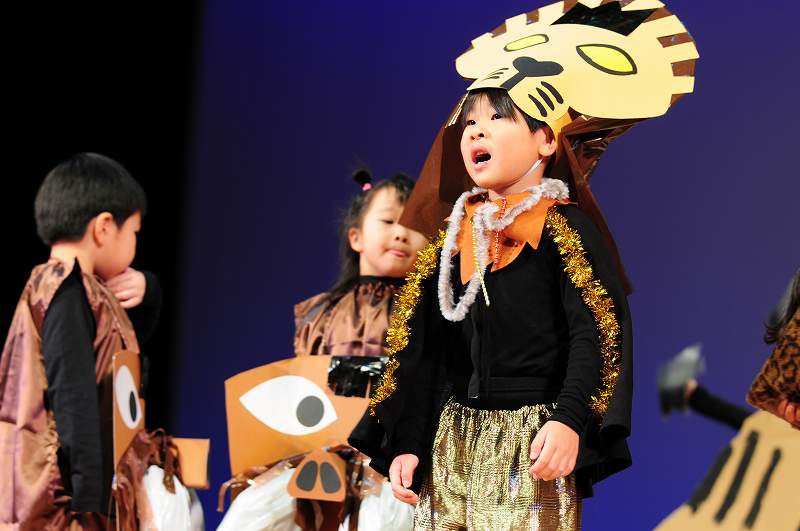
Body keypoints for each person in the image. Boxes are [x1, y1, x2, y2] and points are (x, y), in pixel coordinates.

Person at [357, 1, 700, 528]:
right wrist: (409, 439)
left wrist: (569, 419)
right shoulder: (455, 237)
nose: (477, 131)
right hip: (452, 439)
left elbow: (596, 333)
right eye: (470, 122)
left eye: (498, 118)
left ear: (545, 139)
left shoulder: (563, 228)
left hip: (531, 439)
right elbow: (427, 350)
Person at [0, 152, 161, 529]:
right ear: (104, 228)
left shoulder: (82, 291)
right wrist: (91, 504)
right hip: (59, 507)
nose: (134, 244)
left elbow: (123, 349)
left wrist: (148, 289)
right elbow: (73, 395)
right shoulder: (66, 291)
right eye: (133, 232)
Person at [294, 170, 428, 358]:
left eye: (414, 225)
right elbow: (306, 373)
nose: (401, 234)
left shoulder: (435, 313)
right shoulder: (320, 314)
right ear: (356, 238)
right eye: (388, 221)